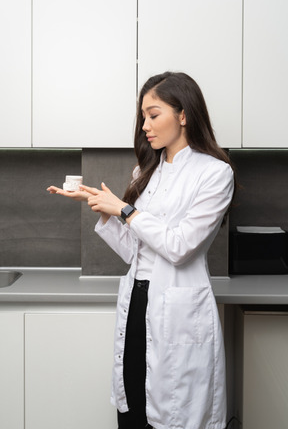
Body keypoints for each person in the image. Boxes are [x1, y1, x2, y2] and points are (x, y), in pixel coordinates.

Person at [47, 71, 235, 429]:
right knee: (132, 404)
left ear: (183, 114)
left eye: (153, 114)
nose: (145, 125)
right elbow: (135, 252)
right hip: (138, 301)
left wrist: (125, 210)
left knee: (175, 414)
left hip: (177, 309)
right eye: (143, 117)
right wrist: (103, 209)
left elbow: (180, 247)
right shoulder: (143, 172)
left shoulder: (214, 173)